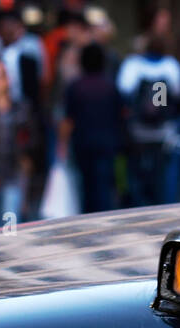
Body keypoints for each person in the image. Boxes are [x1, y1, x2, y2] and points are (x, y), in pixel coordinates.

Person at [116, 31, 180, 207]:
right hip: (163, 130)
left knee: (136, 174)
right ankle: (160, 206)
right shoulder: (171, 66)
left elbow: (123, 89)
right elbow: (179, 92)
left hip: (137, 131)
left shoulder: (133, 65)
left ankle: (137, 206)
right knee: (161, 175)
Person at [58, 42, 123, 214]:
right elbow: (121, 115)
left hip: (83, 144)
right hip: (107, 144)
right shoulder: (111, 86)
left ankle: (88, 220)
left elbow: (68, 120)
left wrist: (62, 145)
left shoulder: (75, 86)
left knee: (86, 188)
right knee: (104, 188)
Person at [0, 57, 36, 225]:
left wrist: (26, 189)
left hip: (13, 176)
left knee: (10, 229)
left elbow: (28, 149)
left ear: (7, 80)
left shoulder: (20, 109)